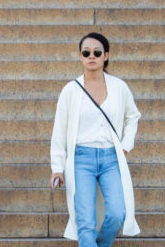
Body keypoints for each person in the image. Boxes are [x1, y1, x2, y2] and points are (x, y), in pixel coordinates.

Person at [49, 32, 141, 246]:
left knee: (118, 213)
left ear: (106, 56)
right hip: (81, 159)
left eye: (97, 52)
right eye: (86, 52)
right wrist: (57, 167)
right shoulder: (70, 90)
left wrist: (126, 145)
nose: (92, 56)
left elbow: (133, 116)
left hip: (110, 158)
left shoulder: (119, 87)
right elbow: (59, 130)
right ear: (80, 57)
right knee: (85, 221)